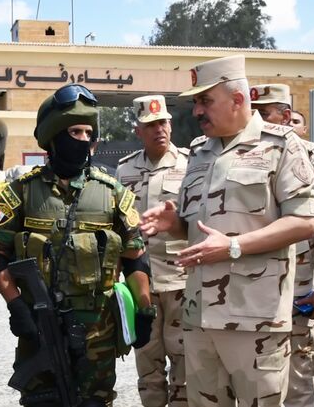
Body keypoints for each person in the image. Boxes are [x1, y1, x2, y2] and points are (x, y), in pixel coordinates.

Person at [141, 55, 314, 406]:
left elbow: (304, 221)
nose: (196, 111)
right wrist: (175, 224)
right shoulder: (198, 152)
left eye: (205, 101)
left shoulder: (281, 145)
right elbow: (202, 231)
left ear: (237, 99)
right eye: (196, 102)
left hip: (255, 320)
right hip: (199, 316)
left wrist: (233, 247)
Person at [0, 83, 148, 406]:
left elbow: (135, 259)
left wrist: (145, 310)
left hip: (97, 334)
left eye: (89, 133)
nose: (84, 140)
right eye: (75, 132)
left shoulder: (113, 193)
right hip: (39, 328)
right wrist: (17, 307)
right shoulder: (21, 192)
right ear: (54, 136)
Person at [249, 83, 314, 407]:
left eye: (262, 113)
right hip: (249, 287)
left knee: (297, 380)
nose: (253, 120)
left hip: (294, 286)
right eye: (251, 112)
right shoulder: (245, 153)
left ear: (286, 116)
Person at [117, 94, 190, 407]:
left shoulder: (192, 165)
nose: (158, 129)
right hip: (141, 283)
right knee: (147, 362)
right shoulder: (123, 170)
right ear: (138, 131)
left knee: (185, 362)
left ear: (170, 125)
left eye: (163, 122)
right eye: (150, 124)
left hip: (181, 281)